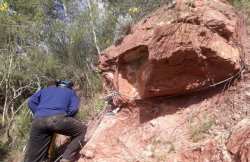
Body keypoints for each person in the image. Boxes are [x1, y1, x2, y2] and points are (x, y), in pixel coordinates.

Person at [24, 80, 86, 162]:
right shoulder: (70, 92)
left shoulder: (44, 90)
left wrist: (39, 113)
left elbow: (30, 101)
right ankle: (67, 158)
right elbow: (74, 109)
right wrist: (65, 117)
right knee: (82, 130)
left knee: (33, 157)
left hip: (38, 121)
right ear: (68, 86)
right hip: (57, 119)